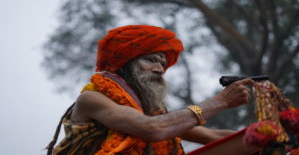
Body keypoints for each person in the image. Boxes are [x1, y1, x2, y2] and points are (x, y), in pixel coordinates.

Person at [47, 25, 255, 155]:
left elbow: (214, 136)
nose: (159, 69)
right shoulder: (91, 99)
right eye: (150, 60)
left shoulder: (156, 115)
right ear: (124, 63)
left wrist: (271, 130)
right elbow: (152, 129)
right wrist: (220, 101)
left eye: (163, 65)